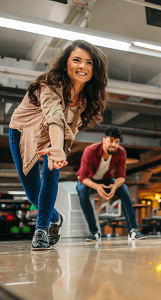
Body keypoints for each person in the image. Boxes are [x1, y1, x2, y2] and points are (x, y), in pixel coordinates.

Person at [9, 40, 108, 251]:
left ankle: (42, 230)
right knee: (33, 193)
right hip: (23, 132)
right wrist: (57, 146)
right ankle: (55, 216)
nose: (83, 66)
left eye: (89, 62)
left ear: (94, 69)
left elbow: (66, 126)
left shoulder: (86, 99)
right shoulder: (50, 84)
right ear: (66, 64)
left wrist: (57, 148)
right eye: (77, 60)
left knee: (52, 173)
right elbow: (54, 115)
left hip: (55, 135)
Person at [76, 126, 146, 242]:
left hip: (106, 179)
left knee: (123, 189)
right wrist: (97, 186)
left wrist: (115, 186)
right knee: (82, 191)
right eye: (111, 141)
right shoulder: (90, 150)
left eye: (116, 142)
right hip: (88, 180)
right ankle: (94, 232)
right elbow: (82, 177)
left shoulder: (121, 152)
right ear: (104, 140)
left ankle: (133, 230)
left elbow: (121, 177)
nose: (113, 145)